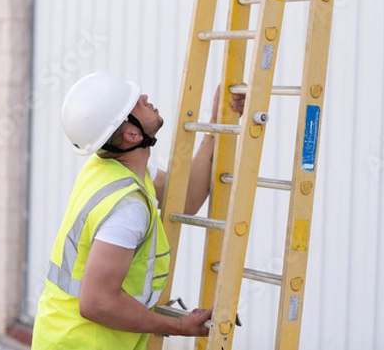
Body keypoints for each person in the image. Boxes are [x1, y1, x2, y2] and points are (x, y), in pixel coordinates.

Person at [31, 72, 245, 349]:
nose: (144, 97)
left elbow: (186, 199)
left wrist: (217, 123)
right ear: (133, 134)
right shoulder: (126, 208)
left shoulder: (109, 168)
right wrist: (180, 327)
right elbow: (98, 303)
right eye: (135, 103)